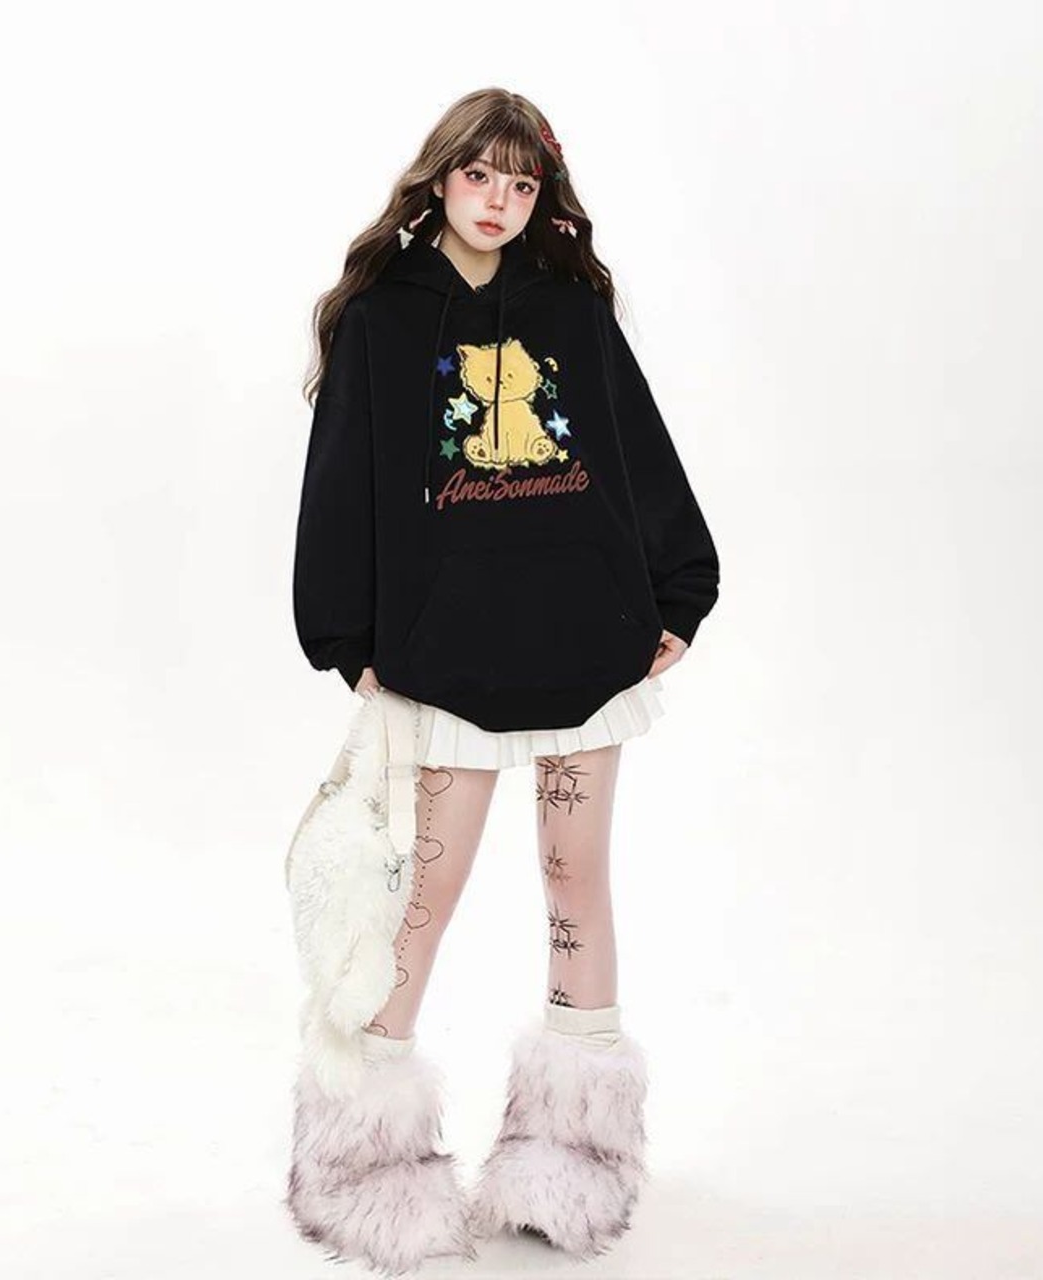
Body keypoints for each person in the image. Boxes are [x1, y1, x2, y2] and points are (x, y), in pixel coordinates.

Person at [285, 87, 720, 1274]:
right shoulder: (381, 318)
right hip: (447, 658)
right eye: (479, 175)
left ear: (541, 196)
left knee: (574, 877)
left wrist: (675, 590)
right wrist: (344, 631)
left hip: (582, 642)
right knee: (421, 895)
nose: (497, 200)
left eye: (521, 183)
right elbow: (341, 478)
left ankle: (571, 1161)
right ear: (439, 178)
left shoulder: (570, 311)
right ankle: (365, 1165)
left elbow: (634, 449)